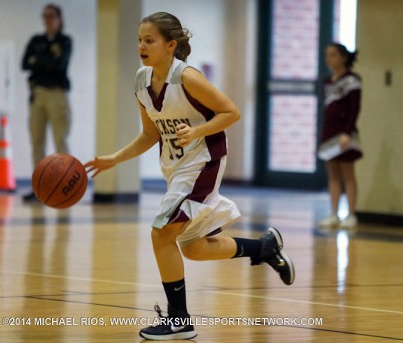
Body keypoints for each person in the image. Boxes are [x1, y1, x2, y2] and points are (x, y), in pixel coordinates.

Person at [84, 12, 295, 341]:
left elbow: (231, 112)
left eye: (149, 40)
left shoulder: (188, 78)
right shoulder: (141, 81)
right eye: (139, 40)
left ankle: (179, 319)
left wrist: (197, 130)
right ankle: (264, 248)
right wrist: (115, 159)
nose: (141, 45)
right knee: (194, 248)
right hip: (176, 168)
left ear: (170, 45)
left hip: (203, 163)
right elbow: (150, 134)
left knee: (161, 234)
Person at [21, 3, 72, 202]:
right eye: (45, 17)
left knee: (60, 141)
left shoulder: (65, 41)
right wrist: (46, 60)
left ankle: (65, 186)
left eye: (52, 16)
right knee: (37, 142)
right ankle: (39, 188)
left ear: (59, 19)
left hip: (57, 94)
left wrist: (38, 61)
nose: (48, 20)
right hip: (37, 94)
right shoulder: (36, 40)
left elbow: (58, 66)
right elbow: (24, 64)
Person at [318, 43, 362, 228]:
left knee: (347, 174)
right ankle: (334, 214)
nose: (329, 59)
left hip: (345, 133)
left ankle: (351, 215)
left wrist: (347, 131)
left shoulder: (352, 80)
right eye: (327, 55)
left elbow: (354, 108)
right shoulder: (328, 81)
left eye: (333, 55)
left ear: (343, 57)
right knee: (333, 174)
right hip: (329, 132)